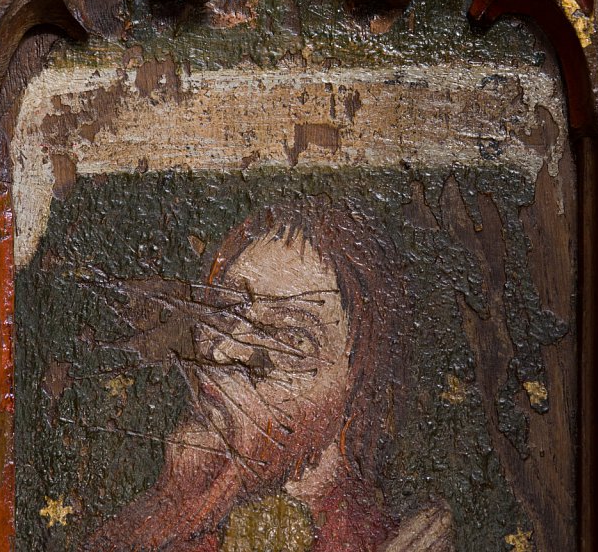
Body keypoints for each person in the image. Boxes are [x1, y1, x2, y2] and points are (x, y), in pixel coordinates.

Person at [83, 197, 452, 551]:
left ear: (360, 395)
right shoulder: (162, 524)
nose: (223, 352)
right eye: (226, 312)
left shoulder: (376, 542)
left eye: (291, 338)